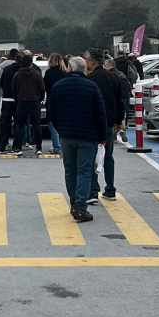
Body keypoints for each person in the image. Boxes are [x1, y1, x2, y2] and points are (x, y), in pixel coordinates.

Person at [47, 55, 107, 223]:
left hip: (66, 136)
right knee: (84, 171)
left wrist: (61, 129)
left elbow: (52, 112)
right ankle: (80, 207)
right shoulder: (92, 86)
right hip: (87, 137)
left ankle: (74, 203)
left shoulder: (58, 86)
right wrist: (102, 137)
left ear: (70, 68)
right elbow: (100, 114)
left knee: (70, 170)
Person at [84, 49, 124, 203]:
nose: (86, 62)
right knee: (108, 156)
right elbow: (120, 101)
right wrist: (118, 121)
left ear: (92, 61)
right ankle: (110, 189)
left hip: (94, 123)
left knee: (92, 156)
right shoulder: (113, 77)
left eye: (86, 59)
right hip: (109, 122)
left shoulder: (90, 79)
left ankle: (93, 191)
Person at [11, 54, 45, 154]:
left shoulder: (17, 75)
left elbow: (13, 90)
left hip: (21, 102)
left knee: (20, 126)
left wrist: (17, 99)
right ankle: (38, 148)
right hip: (35, 102)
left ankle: (17, 147)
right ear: (31, 63)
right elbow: (42, 89)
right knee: (36, 126)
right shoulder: (37, 74)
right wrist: (39, 99)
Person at [0, 50, 21, 152]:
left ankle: (1, 146)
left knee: (4, 123)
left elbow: (0, 83)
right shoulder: (22, 70)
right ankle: (17, 146)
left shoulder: (6, 69)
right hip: (19, 99)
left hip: (6, 98)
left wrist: (2, 92)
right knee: (18, 123)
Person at [104, 57, 132, 144]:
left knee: (111, 116)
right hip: (123, 98)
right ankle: (122, 130)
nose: (104, 67)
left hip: (112, 99)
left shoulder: (109, 76)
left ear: (109, 66)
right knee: (121, 114)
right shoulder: (122, 74)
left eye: (105, 65)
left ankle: (114, 135)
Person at [43, 53, 66, 156]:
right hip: (64, 101)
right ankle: (64, 147)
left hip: (52, 100)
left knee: (52, 125)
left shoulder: (48, 72)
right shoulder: (64, 72)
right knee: (63, 125)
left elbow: (45, 87)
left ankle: (57, 148)